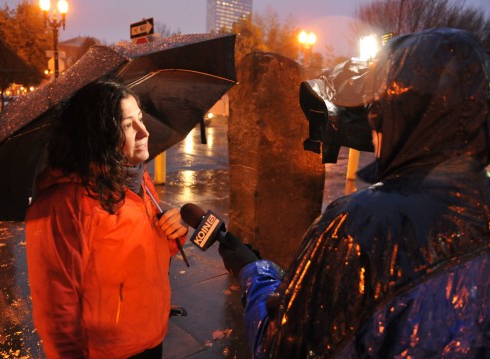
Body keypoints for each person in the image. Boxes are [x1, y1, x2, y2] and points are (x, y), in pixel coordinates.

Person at [219, 28, 490, 358]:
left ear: (394, 118)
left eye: (375, 111)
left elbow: (282, 347)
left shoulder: (358, 228)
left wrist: (254, 272)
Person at [26, 78, 188, 359]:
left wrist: (173, 234)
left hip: (152, 338)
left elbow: (142, 252)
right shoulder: (62, 206)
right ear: (97, 134)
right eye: (127, 125)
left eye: (140, 118)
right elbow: (57, 314)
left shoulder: (139, 178)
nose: (143, 132)